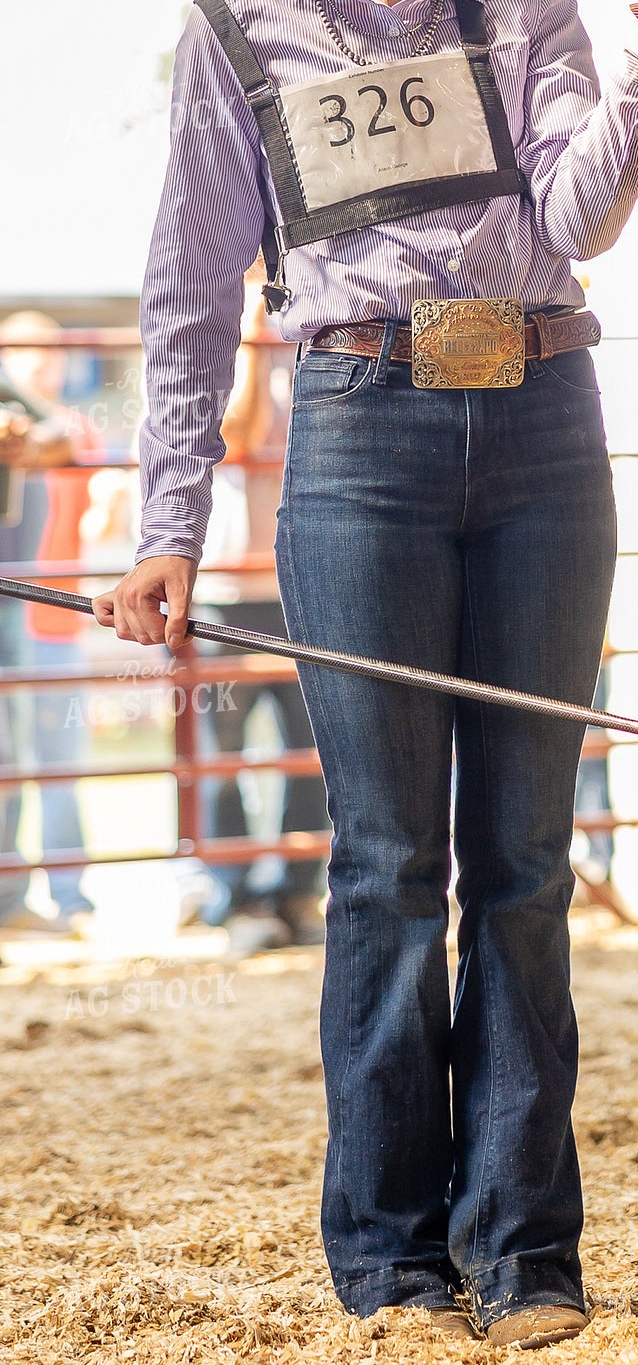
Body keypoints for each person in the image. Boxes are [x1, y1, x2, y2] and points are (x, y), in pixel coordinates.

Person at [93, 0, 638, 1348]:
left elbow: (576, 216)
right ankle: (390, 1256)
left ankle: (523, 1250)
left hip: (539, 429)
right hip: (358, 438)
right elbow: (182, 303)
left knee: (522, 862)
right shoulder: (238, 36)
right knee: (389, 863)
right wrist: (166, 524)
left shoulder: (530, 11)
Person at [192, 262, 329, 951]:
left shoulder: (313, 333)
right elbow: (236, 436)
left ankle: (298, 893)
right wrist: (250, 337)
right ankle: (236, 898)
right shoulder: (219, 343)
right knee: (226, 754)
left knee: (315, 750)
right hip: (228, 589)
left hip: (297, 580)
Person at [0, 314, 96, 937]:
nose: (41, 361)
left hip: (42, 608)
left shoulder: (42, 414)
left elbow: (66, 437)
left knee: (49, 758)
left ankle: (58, 897)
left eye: (50, 350)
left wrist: (26, 437)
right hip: (22, 602)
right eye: (24, 350)